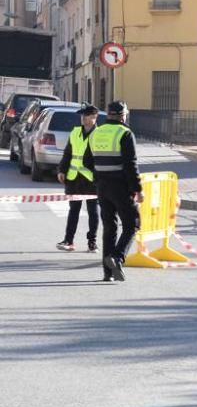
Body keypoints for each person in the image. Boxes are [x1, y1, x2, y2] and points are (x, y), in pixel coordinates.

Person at [82, 100, 141, 282]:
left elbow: (86, 162)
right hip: (120, 186)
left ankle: (108, 273)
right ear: (124, 116)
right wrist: (137, 189)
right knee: (133, 223)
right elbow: (131, 165)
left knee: (110, 227)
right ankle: (116, 257)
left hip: (102, 186)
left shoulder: (95, 133)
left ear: (107, 115)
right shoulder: (125, 133)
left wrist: (99, 174)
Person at [55, 104, 101, 253]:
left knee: (93, 211)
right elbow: (68, 153)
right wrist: (62, 170)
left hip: (91, 180)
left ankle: (92, 242)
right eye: (82, 115)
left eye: (85, 116)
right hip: (74, 178)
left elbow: (101, 158)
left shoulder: (99, 135)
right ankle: (69, 240)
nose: (82, 118)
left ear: (93, 117)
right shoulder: (75, 132)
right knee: (73, 210)